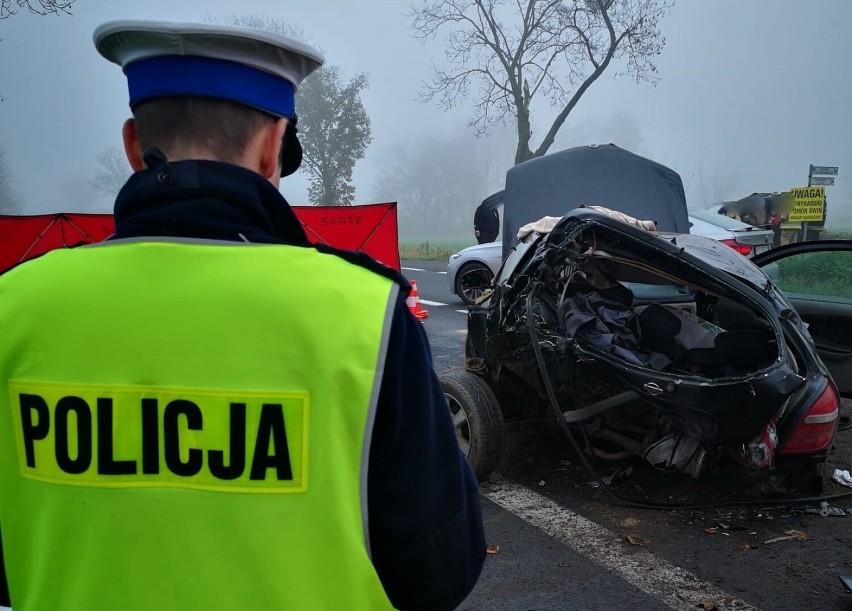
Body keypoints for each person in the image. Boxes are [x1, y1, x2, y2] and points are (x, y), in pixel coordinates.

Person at [0, 20, 485, 611]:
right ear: (271, 147)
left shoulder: (14, 307)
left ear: (133, 145)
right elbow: (440, 569)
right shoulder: (367, 314)